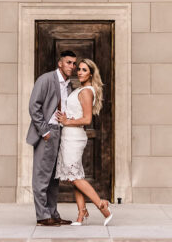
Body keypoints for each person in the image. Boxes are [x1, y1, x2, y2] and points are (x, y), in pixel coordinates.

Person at [55, 58, 113, 227]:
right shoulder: (80, 89)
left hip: (74, 136)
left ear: (91, 73)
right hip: (69, 135)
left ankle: (101, 205)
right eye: (78, 69)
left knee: (74, 176)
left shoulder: (87, 91)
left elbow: (87, 119)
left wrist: (66, 122)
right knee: (75, 176)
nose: (79, 72)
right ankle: (81, 214)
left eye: (84, 70)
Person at [26, 49, 76, 226]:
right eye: (68, 62)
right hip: (47, 132)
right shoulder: (46, 79)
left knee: (55, 176)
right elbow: (34, 106)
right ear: (60, 63)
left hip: (61, 133)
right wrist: (44, 131)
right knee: (41, 175)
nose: (72, 66)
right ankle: (42, 215)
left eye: (73, 63)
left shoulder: (69, 84)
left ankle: (53, 214)